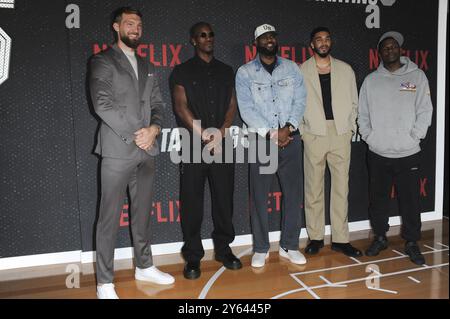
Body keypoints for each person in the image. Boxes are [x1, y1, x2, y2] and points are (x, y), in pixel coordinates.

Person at [89, 6, 174, 299]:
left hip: (147, 150)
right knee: (108, 219)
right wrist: (136, 135)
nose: (135, 28)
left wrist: (153, 129)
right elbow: (102, 105)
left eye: (138, 23)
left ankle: (145, 266)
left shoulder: (148, 65)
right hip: (117, 151)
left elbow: (159, 105)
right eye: (129, 23)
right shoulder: (102, 60)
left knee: (142, 216)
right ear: (116, 27)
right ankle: (104, 283)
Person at [170, 22, 241, 280]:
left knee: (224, 201)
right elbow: (180, 106)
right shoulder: (181, 71)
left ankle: (223, 250)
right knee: (192, 205)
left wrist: (221, 130)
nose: (208, 38)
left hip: (222, 143)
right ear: (193, 40)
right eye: (202, 35)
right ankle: (192, 257)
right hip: (193, 146)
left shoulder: (226, 70)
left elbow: (232, 103)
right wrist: (204, 134)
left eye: (211, 34)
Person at [358, 31, 433, 265]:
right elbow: (362, 114)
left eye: (394, 47)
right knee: (378, 200)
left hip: (408, 152)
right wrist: (371, 138)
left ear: (400, 50)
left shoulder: (417, 76)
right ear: (379, 53)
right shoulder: (371, 80)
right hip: (378, 152)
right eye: (385, 48)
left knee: (410, 201)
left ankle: (412, 242)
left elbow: (425, 110)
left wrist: (415, 137)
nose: (390, 50)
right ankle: (380, 237)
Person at [236, 24, 307, 268]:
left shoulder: (292, 68)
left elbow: (300, 100)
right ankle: (261, 248)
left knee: (294, 195)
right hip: (261, 142)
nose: (269, 40)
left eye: (272, 36)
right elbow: (246, 110)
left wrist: (289, 127)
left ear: (277, 40)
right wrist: (271, 133)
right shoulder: (245, 73)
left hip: (291, 139)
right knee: (258, 197)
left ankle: (290, 245)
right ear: (256, 42)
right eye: (264, 37)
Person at [300, 27, 362, 257]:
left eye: (326, 39)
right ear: (312, 45)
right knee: (313, 188)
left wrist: (349, 129)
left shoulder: (346, 70)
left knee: (340, 188)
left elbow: (354, 103)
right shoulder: (301, 71)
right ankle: (315, 237)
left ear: (330, 43)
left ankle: (340, 239)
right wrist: (304, 132)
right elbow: (295, 105)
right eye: (319, 40)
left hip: (340, 133)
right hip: (314, 134)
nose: (323, 43)